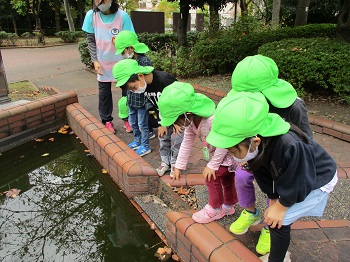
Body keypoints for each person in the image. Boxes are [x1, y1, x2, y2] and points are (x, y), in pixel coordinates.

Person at [206, 91, 338, 262]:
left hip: (317, 179)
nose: (232, 156)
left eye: (232, 151)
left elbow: (300, 182)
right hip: (295, 178)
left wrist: (282, 205)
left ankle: (277, 259)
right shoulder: (259, 143)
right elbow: (263, 173)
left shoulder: (289, 145)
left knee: (279, 221)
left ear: (255, 142)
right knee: (274, 216)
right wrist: (273, 197)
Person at [226, 54, 314, 255]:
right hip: (258, 157)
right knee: (241, 176)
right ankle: (250, 212)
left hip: (284, 162)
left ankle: (271, 225)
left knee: (276, 195)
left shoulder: (294, 106)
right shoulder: (244, 104)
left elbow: (307, 140)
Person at [158, 82, 239, 223]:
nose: (175, 126)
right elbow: (186, 142)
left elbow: (225, 143)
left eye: (176, 121)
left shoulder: (212, 120)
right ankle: (229, 205)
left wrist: (213, 165)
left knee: (211, 176)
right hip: (220, 156)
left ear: (187, 114)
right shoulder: (191, 122)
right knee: (226, 179)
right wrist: (178, 165)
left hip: (230, 155)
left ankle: (214, 209)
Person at [112, 59, 183, 171]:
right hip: (164, 117)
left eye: (134, 87)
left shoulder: (164, 80)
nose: (135, 91)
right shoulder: (144, 87)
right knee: (162, 138)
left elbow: (181, 101)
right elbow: (156, 106)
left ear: (140, 76)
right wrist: (161, 123)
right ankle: (166, 162)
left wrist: (177, 121)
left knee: (176, 140)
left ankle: (176, 165)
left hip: (180, 117)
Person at [82, 0, 134, 134]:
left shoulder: (123, 16)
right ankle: (107, 121)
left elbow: (131, 39)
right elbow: (90, 40)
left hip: (122, 63)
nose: (100, 2)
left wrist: (129, 55)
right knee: (104, 94)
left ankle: (128, 119)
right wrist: (95, 61)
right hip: (103, 63)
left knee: (127, 93)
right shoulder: (91, 16)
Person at [114, 30, 155, 156]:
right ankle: (137, 140)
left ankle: (145, 145)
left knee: (142, 123)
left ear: (130, 48)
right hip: (131, 99)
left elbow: (148, 82)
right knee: (133, 122)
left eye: (123, 51)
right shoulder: (127, 62)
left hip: (142, 101)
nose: (122, 54)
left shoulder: (144, 61)